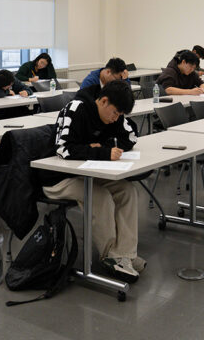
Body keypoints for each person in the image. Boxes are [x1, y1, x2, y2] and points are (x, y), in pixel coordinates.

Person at [43, 80, 144, 283]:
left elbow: (131, 137)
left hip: (86, 173)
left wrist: (104, 145)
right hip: (57, 177)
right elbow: (62, 149)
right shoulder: (75, 109)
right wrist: (102, 152)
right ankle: (111, 257)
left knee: (127, 190)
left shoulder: (113, 115)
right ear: (104, 101)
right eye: (115, 113)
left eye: (120, 115)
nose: (116, 118)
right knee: (100, 196)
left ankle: (125, 254)